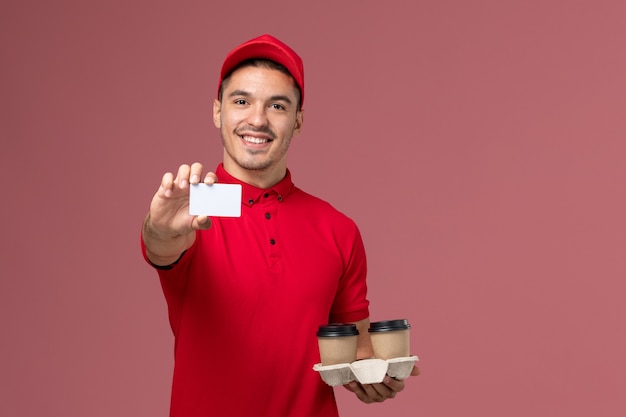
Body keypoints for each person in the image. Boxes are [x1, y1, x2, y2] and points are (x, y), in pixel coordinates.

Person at [141, 34, 419, 417]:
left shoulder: (337, 228)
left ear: (298, 119)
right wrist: (158, 228)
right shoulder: (191, 211)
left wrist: (376, 377)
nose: (257, 119)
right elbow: (161, 245)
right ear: (218, 111)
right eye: (241, 101)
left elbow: (356, 351)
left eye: (277, 105)